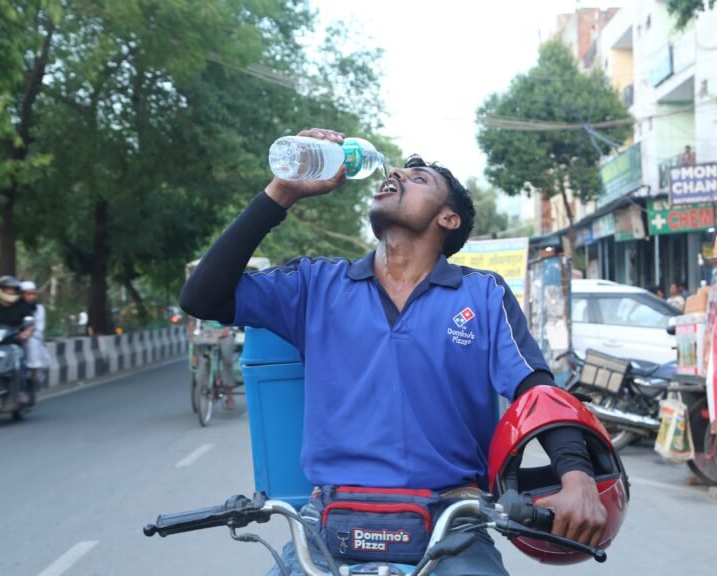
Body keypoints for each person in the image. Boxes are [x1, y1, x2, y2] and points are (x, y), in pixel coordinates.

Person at [181, 128, 608, 575]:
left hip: (451, 521)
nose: (398, 174)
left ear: (448, 219)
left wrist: (577, 476)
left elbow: (534, 389)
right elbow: (201, 299)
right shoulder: (315, 285)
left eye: (418, 178)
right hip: (329, 523)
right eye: (398, 171)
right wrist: (282, 191)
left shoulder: (482, 294)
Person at [0, 276, 36, 403]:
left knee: (21, 363)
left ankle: (22, 390)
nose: (10, 292)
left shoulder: (22, 307)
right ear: (1, 290)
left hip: (14, 343)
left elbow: (31, 324)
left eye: (13, 290)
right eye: (7, 289)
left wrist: (26, 333)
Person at [20, 281, 52, 387]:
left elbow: (38, 327)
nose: (32, 296)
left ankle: (33, 378)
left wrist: (27, 333)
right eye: (28, 294)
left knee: (32, 344)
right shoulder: (16, 307)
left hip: (32, 336)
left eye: (33, 293)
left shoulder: (39, 309)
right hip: (14, 335)